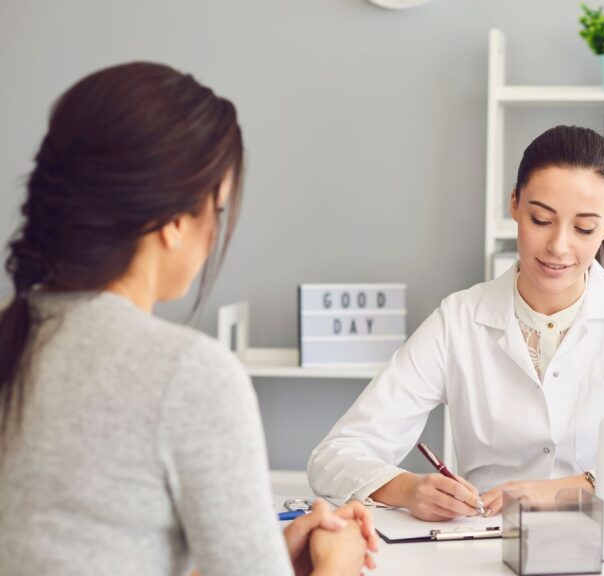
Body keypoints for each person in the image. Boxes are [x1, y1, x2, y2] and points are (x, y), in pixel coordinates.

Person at [0, 62, 377, 575]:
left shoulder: (14, 333)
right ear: (175, 222)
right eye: (216, 211)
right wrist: (337, 566)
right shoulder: (187, 374)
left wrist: (260, 556)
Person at [308, 125, 604, 521]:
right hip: (486, 546)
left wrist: (574, 488)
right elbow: (335, 455)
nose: (559, 246)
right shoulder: (458, 321)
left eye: (584, 228)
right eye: (541, 220)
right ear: (514, 204)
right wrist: (408, 489)